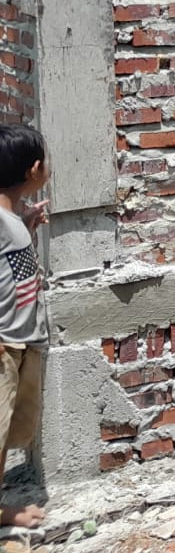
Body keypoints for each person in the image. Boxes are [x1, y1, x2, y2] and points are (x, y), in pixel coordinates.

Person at [0, 124, 49, 530]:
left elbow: (12, 273)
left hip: (16, 343)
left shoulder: (9, 219)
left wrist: (26, 226)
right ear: (35, 170)